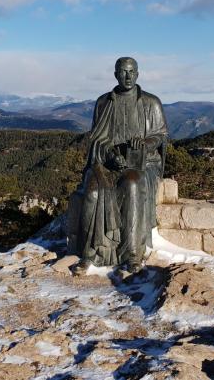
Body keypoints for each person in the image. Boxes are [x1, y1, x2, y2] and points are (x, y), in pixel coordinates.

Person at [70, 56, 167, 274]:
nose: (128, 76)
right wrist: (110, 154)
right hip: (106, 161)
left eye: (132, 72)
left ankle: (131, 254)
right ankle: (90, 253)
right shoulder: (104, 102)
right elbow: (96, 138)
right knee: (93, 192)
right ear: (115, 74)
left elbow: (160, 135)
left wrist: (144, 143)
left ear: (138, 74)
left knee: (131, 185)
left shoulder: (151, 102)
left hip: (141, 162)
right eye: (123, 72)